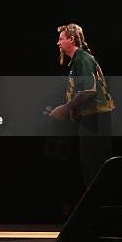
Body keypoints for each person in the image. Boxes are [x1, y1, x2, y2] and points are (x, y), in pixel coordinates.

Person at [48, 23, 114, 186]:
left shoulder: (82, 58)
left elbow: (89, 91)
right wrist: (65, 111)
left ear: (71, 40)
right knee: (89, 170)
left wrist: (65, 108)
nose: (58, 43)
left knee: (95, 170)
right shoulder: (77, 61)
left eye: (61, 39)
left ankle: (103, 207)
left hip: (96, 120)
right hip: (90, 120)